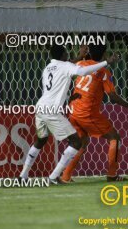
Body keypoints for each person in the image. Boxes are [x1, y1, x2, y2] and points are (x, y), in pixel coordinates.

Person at [19, 45, 119, 183]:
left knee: (41, 140)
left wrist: (67, 98)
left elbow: (54, 88)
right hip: (52, 111)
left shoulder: (48, 67)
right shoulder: (66, 66)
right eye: (66, 53)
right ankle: (53, 177)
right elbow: (83, 71)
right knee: (76, 141)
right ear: (62, 56)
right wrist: (106, 62)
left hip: (41, 107)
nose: (68, 55)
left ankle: (23, 175)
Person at [62, 44, 128, 182]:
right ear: (103, 55)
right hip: (87, 114)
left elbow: (68, 67)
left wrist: (79, 55)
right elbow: (112, 96)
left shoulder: (81, 64)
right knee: (114, 137)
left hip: (73, 111)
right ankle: (112, 175)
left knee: (81, 142)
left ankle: (65, 176)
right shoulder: (103, 72)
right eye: (106, 53)